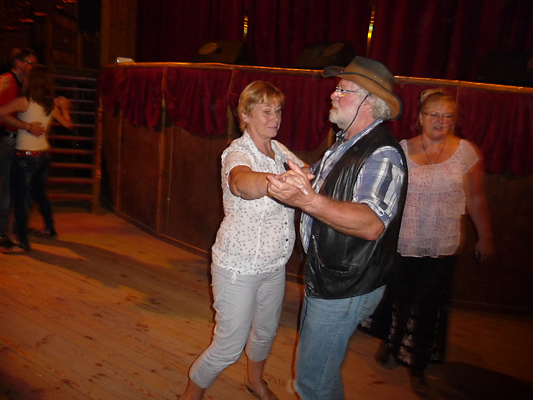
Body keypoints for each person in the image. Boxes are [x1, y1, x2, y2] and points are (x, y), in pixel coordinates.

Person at [267, 56, 408, 400]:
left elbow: (371, 223)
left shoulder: (382, 153)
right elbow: (319, 179)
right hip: (332, 274)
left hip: (347, 282)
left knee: (312, 382)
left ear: (368, 102)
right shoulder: (346, 141)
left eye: (343, 90)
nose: (333, 95)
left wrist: (306, 200)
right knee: (315, 375)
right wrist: (297, 179)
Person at [181, 81, 309, 400]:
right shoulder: (237, 152)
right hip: (238, 266)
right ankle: (190, 396)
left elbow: (306, 170)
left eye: (278, 110)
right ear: (246, 115)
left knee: (265, 333)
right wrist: (276, 182)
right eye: (266, 111)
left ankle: (254, 382)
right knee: (228, 346)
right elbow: (241, 182)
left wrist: (309, 173)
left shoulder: (279, 150)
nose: (275, 117)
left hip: (274, 266)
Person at [366, 88, 494, 396]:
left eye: (448, 116)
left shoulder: (466, 152)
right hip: (404, 241)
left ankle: (418, 366)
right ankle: (391, 344)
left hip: (442, 244)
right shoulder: (401, 149)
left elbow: (476, 198)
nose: (441, 120)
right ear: (420, 117)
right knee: (398, 299)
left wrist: (485, 236)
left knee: (429, 307)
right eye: (434, 114)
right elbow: (388, 197)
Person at [0, 65, 72, 253]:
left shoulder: (24, 102)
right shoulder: (49, 105)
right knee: (39, 194)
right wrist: (64, 108)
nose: (24, 79)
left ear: (31, 82)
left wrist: (25, 126)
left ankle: (23, 244)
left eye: (27, 77)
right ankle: (49, 228)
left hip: (25, 158)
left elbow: (0, 113)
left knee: (18, 201)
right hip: (43, 157)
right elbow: (67, 124)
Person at [0, 47, 45, 248]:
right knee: (9, 189)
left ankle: (17, 228)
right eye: (30, 62)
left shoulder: (23, 83)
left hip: (19, 142)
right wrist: (27, 126)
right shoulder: (7, 80)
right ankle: (2, 232)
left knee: (20, 189)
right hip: (9, 140)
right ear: (19, 63)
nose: (33, 66)